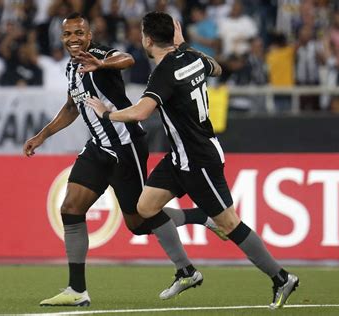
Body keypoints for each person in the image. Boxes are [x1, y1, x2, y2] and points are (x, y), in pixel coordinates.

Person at [86, 12, 299, 309]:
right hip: (179, 157)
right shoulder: (194, 58)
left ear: (147, 39)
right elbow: (218, 67)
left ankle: (281, 278)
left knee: (230, 225)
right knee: (144, 207)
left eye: (142, 34)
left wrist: (106, 113)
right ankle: (190, 257)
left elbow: (140, 113)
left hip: (199, 159)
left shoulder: (163, 72)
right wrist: (184, 44)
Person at [23, 12, 226, 307]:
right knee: (70, 208)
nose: (73, 39)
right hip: (97, 148)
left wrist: (102, 63)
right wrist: (42, 135)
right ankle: (77, 290)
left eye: (79, 33)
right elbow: (71, 107)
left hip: (125, 147)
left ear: (89, 35)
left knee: (140, 223)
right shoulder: (71, 68)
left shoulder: (101, 55)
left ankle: (200, 221)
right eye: (68, 34)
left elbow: (127, 59)